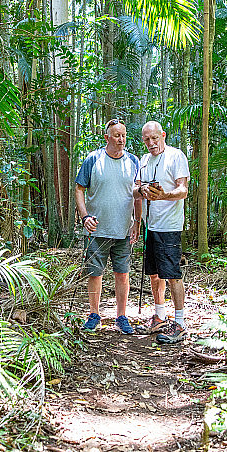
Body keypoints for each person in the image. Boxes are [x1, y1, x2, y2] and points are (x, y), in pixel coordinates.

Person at [75, 118, 142, 334]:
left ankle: (121, 317)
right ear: (107, 137)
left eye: (123, 135)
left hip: (123, 228)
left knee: (122, 274)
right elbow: (79, 189)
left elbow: (138, 195)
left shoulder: (133, 161)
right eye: (116, 135)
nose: (121, 139)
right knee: (95, 273)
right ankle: (94, 314)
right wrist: (84, 216)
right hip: (97, 229)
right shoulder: (93, 159)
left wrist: (137, 223)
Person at [133, 121, 189, 344]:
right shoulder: (144, 160)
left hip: (170, 226)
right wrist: (142, 190)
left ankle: (180, 323)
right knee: (154, 273)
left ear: (163, 135)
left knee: (172, 274)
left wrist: (163, 195)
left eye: (154, 138)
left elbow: (183, 190)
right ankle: (160, 316)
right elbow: (135, 190)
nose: (151, 143)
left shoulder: (176, 156)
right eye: (147, 139)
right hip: (150, 225)